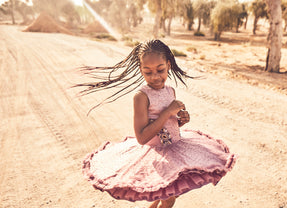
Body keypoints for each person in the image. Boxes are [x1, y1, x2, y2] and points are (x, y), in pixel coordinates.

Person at [77, 40, 237, 208]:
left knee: (163, 193)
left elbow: (168, 126)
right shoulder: (141, 97)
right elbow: (142, 137)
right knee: (169, 199)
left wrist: (179, 120)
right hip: (155, 155)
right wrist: (167, 112)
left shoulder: (170, 91)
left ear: (168, 65)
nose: (155, 77)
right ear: (141, 70)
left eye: (160, 70)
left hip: (175, 148)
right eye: (148, 72)